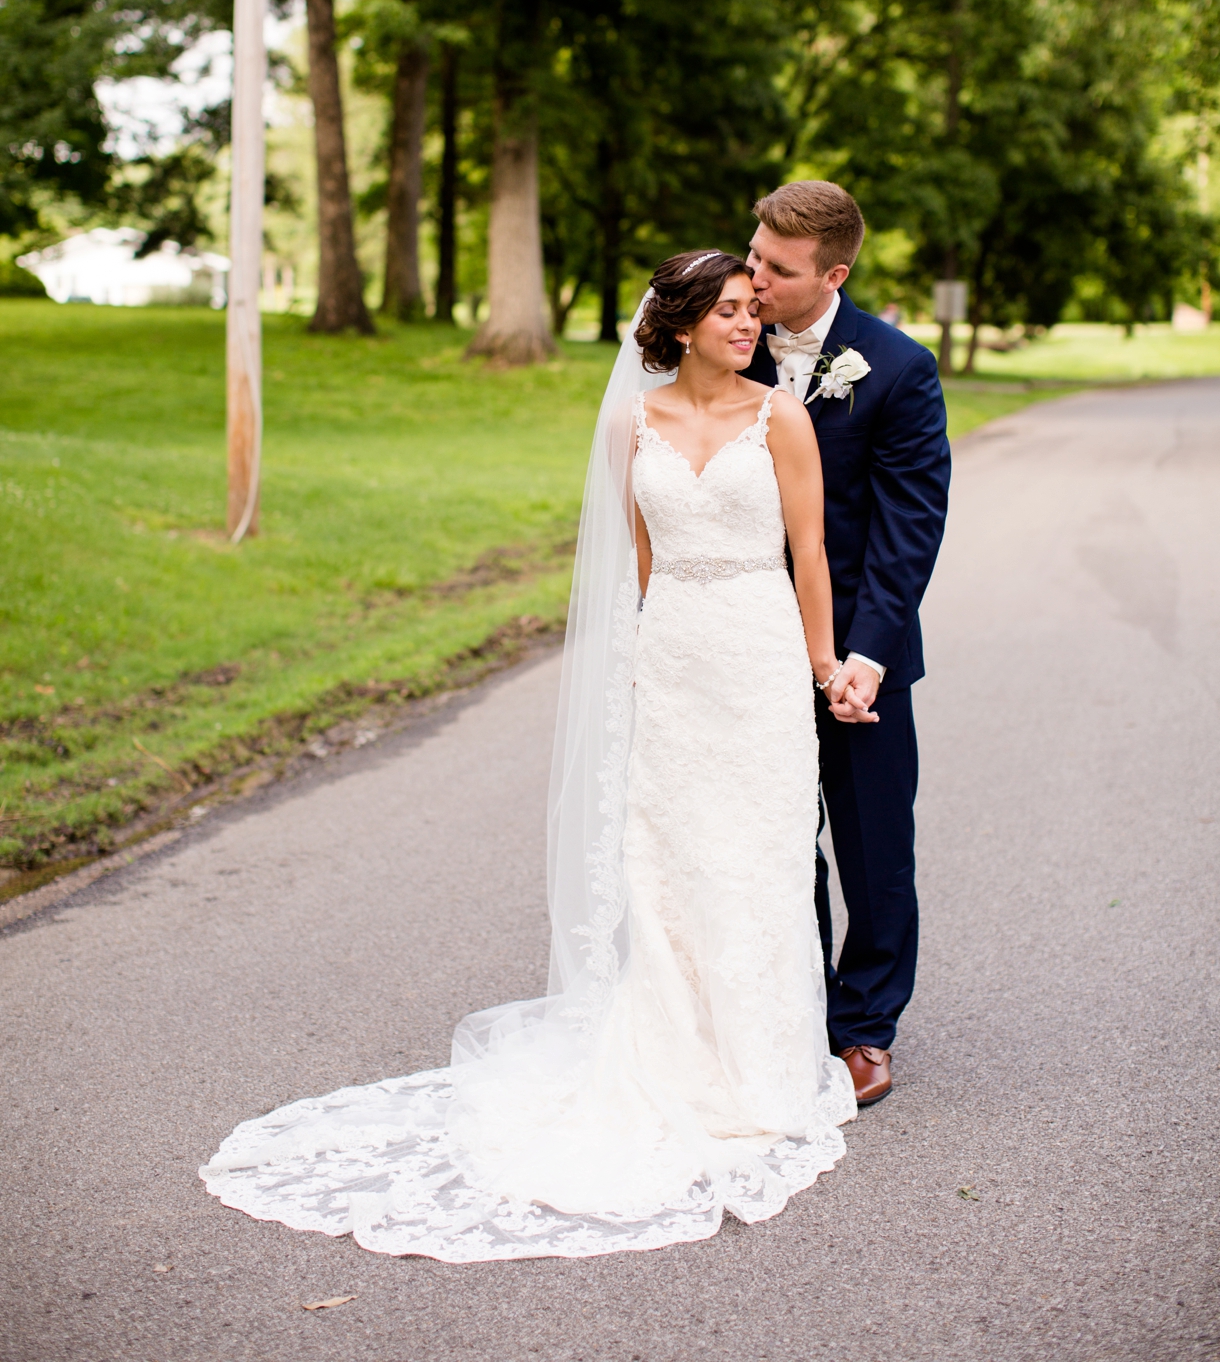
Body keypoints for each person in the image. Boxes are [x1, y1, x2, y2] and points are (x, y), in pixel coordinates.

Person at [201, 250, 857, 1263]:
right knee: (670, 861)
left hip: (758, 657)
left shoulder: (783, 418)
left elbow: (806, 552)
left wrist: (821, 667)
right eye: (728, 311)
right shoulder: (626, 421)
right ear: (680, 325)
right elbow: (635, 552)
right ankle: (676, 1059)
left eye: (751, 311)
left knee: (757, 857)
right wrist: (640, 654)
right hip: (674, 657)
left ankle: (763, 1070)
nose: (748, 325)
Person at [744, 181, 951, 1106]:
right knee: (775, 842)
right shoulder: (724, 349)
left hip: (862, 655)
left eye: (776, 271)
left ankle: (865, 1027)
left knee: (872, 848)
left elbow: (910, 529)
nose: (754, 281)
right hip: (743, 642)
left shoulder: (898, 369)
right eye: (752, 256)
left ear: (833, 273)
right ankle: (795, 1009)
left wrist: (860, 657)